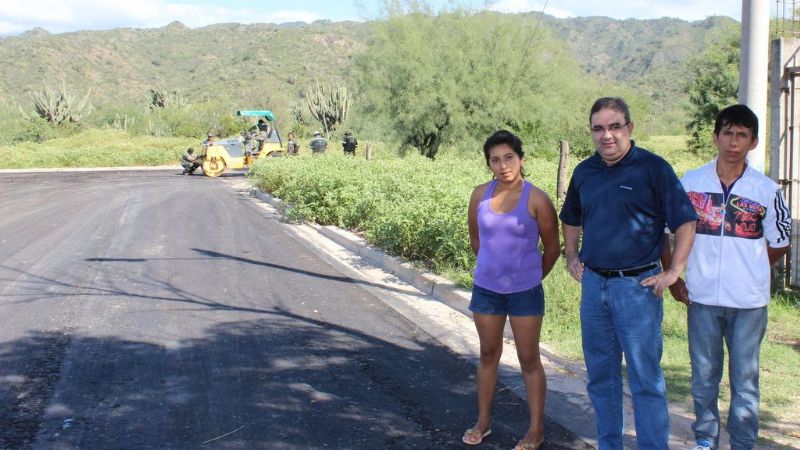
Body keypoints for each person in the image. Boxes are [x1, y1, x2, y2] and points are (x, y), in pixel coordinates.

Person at [559, 97, 698, 449]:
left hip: (638, 287)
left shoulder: (653, 168)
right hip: (594, 287)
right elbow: (571, 217)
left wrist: (674, 271)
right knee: (601, 377)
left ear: (629, 128)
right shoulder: (584, 172)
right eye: (599, 128)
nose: (607, 135)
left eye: (614, 126)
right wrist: (571, 255)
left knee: (645, 379)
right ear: (592, 132)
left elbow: (685, 221)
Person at [662, 105, 791, 450]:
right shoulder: (691, 183)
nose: (733, 142)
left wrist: (751, 266)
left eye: (742, 135)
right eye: (728, 133)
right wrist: (675, 277)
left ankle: (744, 442)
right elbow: (665, 231)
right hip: (701, 298)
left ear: (753, 142)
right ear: (715, 137)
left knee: (745, 379)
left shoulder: (766, 190)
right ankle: (705, 438)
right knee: (704, 375)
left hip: (748, 303)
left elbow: (780, 242)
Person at [463, 130, 559, 450]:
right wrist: (494, 272)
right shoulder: (479, 196)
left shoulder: (537, 199)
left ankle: (536, 430)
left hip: (525, 292)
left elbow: (552, 248)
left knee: (529, 359)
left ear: (521, 158)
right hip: (487, 291)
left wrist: (530, 278)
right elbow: (478, 241)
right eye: (495, 159)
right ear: (488, 163)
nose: (503, 165)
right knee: (488, 355)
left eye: (509, 157)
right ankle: (483, 422)